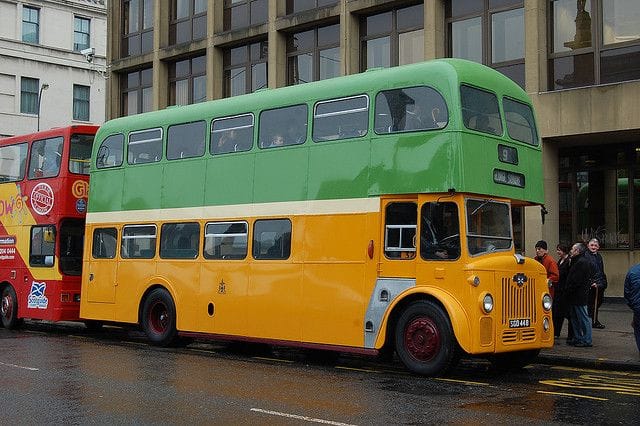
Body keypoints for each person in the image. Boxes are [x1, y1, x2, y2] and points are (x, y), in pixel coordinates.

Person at [565, 242, 593, 347]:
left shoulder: (581, 262)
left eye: (572, 249)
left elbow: (576, 280)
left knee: (582, 317)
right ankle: (578, 338)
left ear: (577, 251)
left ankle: (586, 339)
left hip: (578, 295)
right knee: (575, 318)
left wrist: (568, 289)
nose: (571, 251)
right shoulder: (577, 261)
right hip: (575, 295)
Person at [585, 238, 607, 328]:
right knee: (591, 304)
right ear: (588, 246)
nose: (593, 247)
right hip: (592, 285)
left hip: (600, 283)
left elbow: (601, 271)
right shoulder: (586, 256)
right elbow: (586, 271)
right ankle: (592, 321)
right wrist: (591, 282)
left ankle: (593, 320)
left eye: (595, 245)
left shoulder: (599, 256)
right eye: (592, 245)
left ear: (598, 247)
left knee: (598, 302)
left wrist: (603, 282)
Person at [554, 243, 572, 341]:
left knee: (565, 312)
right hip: (559, 289)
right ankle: (556, 331)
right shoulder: (560, 261)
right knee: (558, 312)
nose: (558, 252)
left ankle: (569, 334)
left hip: (564, 289)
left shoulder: (568, 261)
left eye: (559, 250)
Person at [623, 263, 640, 355]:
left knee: (638, 329)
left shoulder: (633, 271)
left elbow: (627, 293)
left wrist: (633, 306)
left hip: (638, 307)